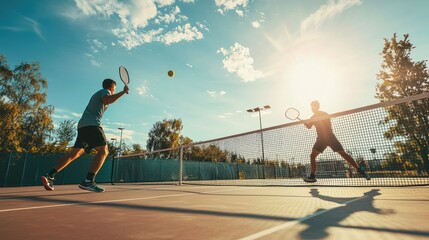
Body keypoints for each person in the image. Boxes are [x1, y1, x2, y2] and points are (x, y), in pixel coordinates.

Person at [41, 79, 129, 192]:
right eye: (114, 89)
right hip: (92, 125)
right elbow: (107, 100)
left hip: (83, 126)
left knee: (74, 154)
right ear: (112, 87)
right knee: (104, 151)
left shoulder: (99, 93)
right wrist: (122, 92)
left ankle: (50, 175)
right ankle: (88, 181)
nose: (114, 91)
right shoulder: (105, 91)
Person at [303, 101, 370, 183]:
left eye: (314, 107)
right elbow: (309, 126)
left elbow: (325, 125)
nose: (312, 109)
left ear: (317, 107)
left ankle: (361, 171)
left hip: (327, 137)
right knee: (313, 156)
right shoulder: (313, 117)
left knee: (343, 154)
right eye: (312, 107)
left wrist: (310, 123)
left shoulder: (323, 114)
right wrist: (306, 123)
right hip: (325, 138)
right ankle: (312, 176)